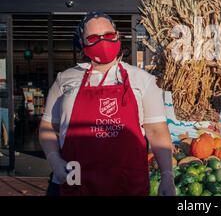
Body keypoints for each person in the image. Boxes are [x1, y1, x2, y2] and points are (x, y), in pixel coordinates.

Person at [39, 11, 175, 196]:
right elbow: (47, 126)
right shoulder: (65, 79)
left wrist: (167, 176)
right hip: (75, 179)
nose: (102, 42)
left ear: (117, 36)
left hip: (127, 183)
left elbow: (157, 131)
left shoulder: (142, 80)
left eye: (108, 35)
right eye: (93, 38)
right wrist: (55, 160)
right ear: (82, 42)